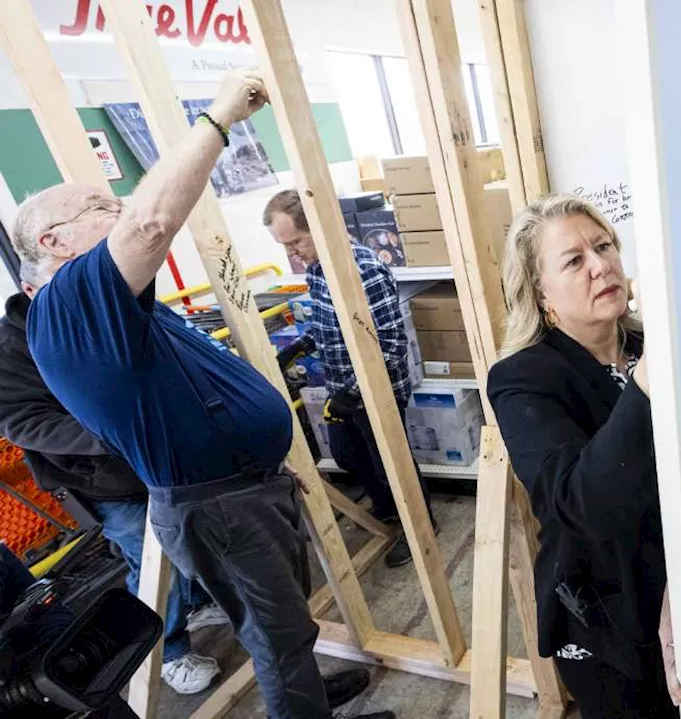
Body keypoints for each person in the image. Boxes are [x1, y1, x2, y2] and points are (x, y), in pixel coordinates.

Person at [14, 71, 388, 719]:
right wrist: (218, 117)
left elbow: (189, 394)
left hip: (238, 488)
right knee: (278, 630)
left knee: (282, 625)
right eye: (102, 208)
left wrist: (259, 465)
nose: (121, 213)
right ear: (53, 242)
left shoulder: (112, 306)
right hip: (218, 504)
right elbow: (153, 220)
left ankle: (305, 702)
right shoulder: (69, 303)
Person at [486, 194, 681, 717]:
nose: (601, 266)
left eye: (604, 246)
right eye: (574, 261)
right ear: (541, 293)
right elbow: (582, 502)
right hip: (605, 614)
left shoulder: (648, 342)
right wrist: (645, 383)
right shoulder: (522, 379)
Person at [0, 286, 230, 694]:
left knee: (186, 537)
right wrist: (112, 433)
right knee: (151, 560)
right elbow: (24, 422)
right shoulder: (12, 345)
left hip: (155, 458)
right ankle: (170, 652)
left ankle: (195, 604)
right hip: (102, 479)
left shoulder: (98, 312)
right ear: (35, 289)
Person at [265, 189, 437, 569]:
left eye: (295, 242)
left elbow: (388, 346)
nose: (293, 253)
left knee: (393, 464)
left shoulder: (363, 270)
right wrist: (299, 346)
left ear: (321, 228)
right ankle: (389, 510)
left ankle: (421, 528)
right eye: (286, 246)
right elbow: (330, 325)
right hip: (344, 388)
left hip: (377, 392)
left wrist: (356, 394)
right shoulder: (316, 268)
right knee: (346, 454)